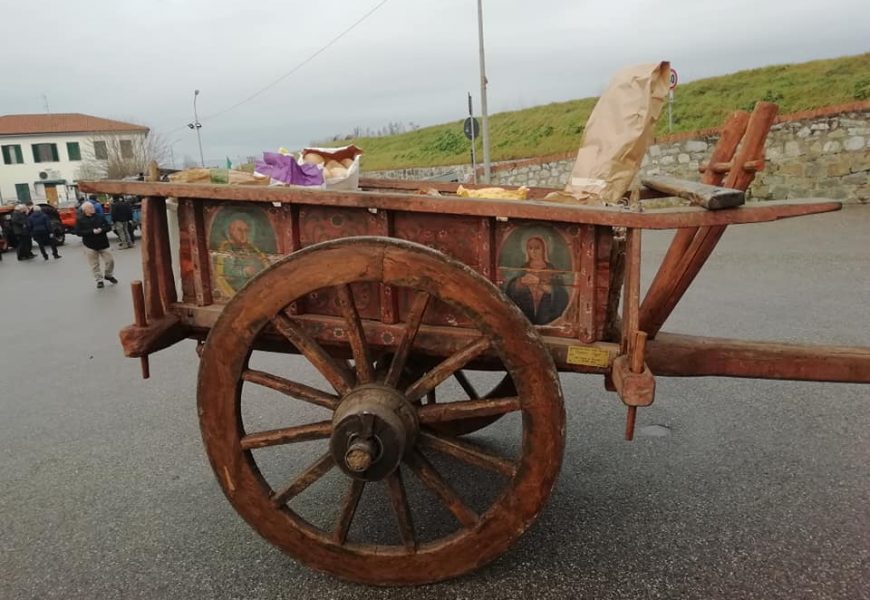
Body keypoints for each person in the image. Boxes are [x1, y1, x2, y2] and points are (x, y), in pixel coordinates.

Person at [505, 236, 569, 325]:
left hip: (546, 311)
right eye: (530, 248)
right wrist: (520, 282)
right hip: (526, 311)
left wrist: (546, 287)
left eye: (537, 248)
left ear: (544, 249)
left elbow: (563, 294)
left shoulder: (551, 269)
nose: (533, 251)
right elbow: (510, 290)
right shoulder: (523, 268)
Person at [214, 216, 271, 297]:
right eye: (239, 230)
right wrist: (244, 272)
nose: (244, 234)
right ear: (231, 231)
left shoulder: (251, 247)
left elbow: (264, 261)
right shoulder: (227, 247)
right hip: (239, 290)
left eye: (246, 231)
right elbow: (226, 272)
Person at [75, 201, 117, 288]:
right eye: (90, 208)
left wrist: (101, 229)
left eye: (92, 207)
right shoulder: (80, 219)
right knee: (94, 264)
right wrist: (92, 231)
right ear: (85, 210)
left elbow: (108, 227)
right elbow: (78, 232)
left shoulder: (100, 217)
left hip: (103, 243)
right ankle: (99, 280)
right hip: (90, 245)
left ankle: (108, 275)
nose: (93, 209)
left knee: (110, 261)